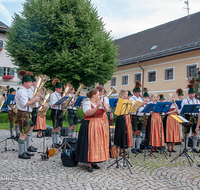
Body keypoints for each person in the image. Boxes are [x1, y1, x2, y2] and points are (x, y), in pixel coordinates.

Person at [76, 89, 110, 172]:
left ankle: (95, 161)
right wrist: (96, 108)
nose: (100, 96)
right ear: (93, 95)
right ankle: (88, 163)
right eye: (98, 94)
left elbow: (106, 111)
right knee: (90, 144)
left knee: (97, 143)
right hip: (90, 125)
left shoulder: (99, 103)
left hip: (98, 125)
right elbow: (87, 113)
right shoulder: (87, 103)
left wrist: (103, 105)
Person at [15, 70, 40, 159]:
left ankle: (25, 150)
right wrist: (34, 100)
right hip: (23, 113)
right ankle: (21, 153)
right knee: (23, 132)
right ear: (24, 82)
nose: (31, 84)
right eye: (29, 82)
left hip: (26, 113)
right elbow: (25, 103)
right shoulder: (21, 91)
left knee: (25, 132)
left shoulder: (26, 90)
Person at [129, 81, 147, 154]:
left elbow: (143, 106)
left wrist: (145, 104)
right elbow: (133, 108)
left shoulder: (141, 98)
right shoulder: (132, 99)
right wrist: (142, 104)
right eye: (137, 92)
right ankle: (133, 147)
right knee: (135, 132)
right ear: (134, 92)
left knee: (139, 131)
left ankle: (138, 147)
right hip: (134, 116)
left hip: (141, 116)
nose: (138, 94)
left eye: (139, 92)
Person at [181, 84, 200, 153]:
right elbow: (182, 110)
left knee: (195, 132)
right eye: (191, 94)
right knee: (186, 132)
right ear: (188, 94)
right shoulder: (185, 101)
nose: (192, 95)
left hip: (195, 116)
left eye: (193, 94)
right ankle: (185, 147)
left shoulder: (197, 101)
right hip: (187, 117)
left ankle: (194, 147)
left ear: (194, 94)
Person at [114, 89, 133, 156]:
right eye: (125, 94)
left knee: (126, 134)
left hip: (126, 118)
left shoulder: (127, 101)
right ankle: (121, 151)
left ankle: (124, 149)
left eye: (127, 94)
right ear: (122, 94)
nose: (126, 95)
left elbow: (129, 111)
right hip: (121, 118)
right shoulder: (119, 101)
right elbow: (118, 112)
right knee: (122, 134)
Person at [50, 78, 66, 148]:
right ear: (56, 88)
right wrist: (61, 103)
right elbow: (53, 104)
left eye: (61, 88)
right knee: (55, 127)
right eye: (60, 88)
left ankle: (57, 141)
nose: (61, 90)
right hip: (55, 111)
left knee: (58, 127)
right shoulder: (53, 95)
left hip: (59, 111)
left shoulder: (60, 95)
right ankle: (54, 142)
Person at [27, 73, 40, 152]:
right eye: (35, 82)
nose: (36, 83)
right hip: (30, 109)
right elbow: (30, 99)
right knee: (30, 127)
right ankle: (28, 145)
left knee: (32, 127)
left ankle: (29, 145)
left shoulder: (34, 90)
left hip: (34, 108)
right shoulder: (30, 90)